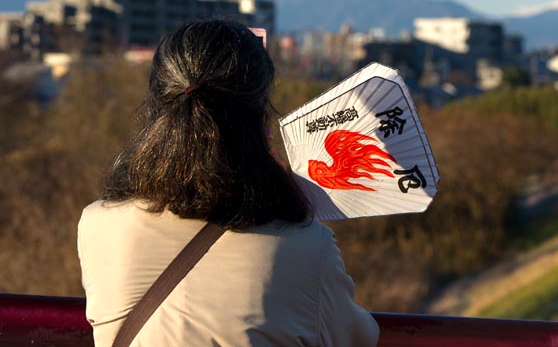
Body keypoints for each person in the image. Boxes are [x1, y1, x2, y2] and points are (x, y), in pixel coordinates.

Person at [77, 20, 379, 347]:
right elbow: (358, 337)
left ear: (156, 106)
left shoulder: (97, 225)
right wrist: (295, 202)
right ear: (262, 119)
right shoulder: (308, 248)